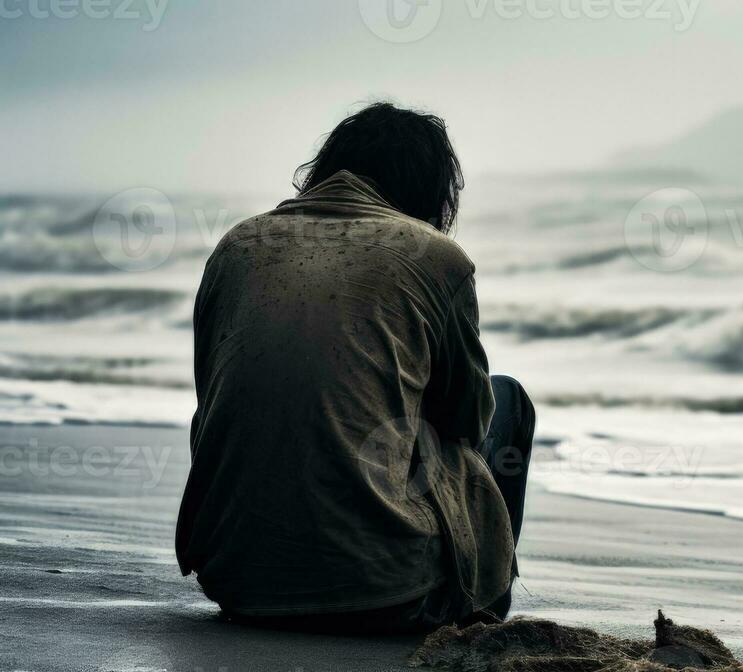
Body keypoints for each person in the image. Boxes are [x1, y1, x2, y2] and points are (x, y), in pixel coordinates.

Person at [175, 103, 532, 633]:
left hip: (237, 583)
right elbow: (469, 420)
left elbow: (212, 405)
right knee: (508, 401)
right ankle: (482, 601)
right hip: (387, 596)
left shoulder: (238, 245)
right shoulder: (435, 256)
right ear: (430, 189)